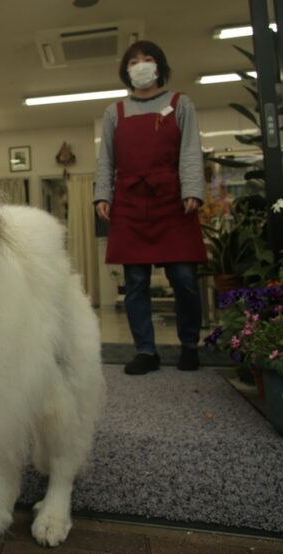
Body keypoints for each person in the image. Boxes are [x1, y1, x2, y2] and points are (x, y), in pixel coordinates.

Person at [94, 40, 207, 375]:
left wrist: (193, 190)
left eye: (147, 59)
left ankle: (189, 345)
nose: (140, 65)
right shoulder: (114, 112)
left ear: (159, 66)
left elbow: (190, 151)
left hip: (173, 200)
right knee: (136, 282)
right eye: (134, 61)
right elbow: (106, 160)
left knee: (184, 278)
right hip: (129, 200)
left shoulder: (180, 104)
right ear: (126, 71)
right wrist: (103, 195)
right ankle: (146, 350)